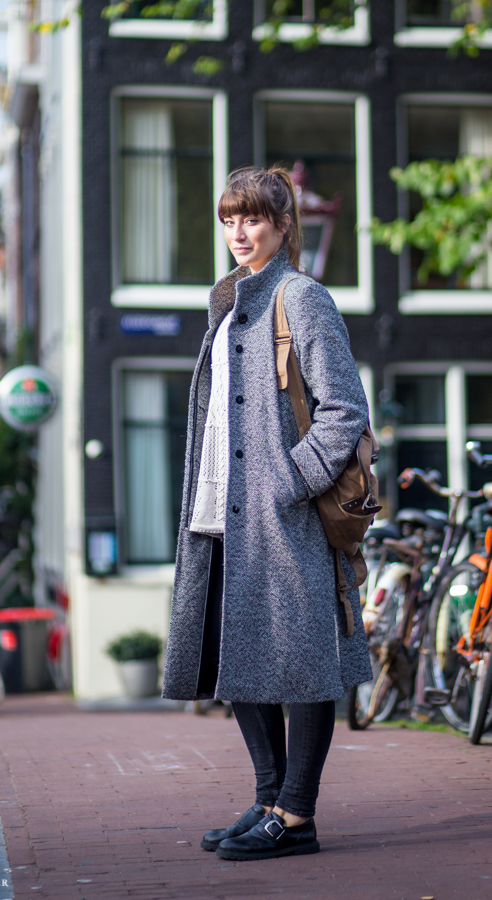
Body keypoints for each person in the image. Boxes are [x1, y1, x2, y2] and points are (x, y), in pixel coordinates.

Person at [161, 166, 373, 861]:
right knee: (239, 648)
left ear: (283, 225)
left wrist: (288, 482)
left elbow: (345, 412)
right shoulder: (228, 305)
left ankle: (298, 815)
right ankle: (267, 799)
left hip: (286, 517)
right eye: (228, 220)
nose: (238, 233)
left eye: (251, 219)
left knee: (307, 658)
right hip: (221, 507)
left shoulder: (302, 298)